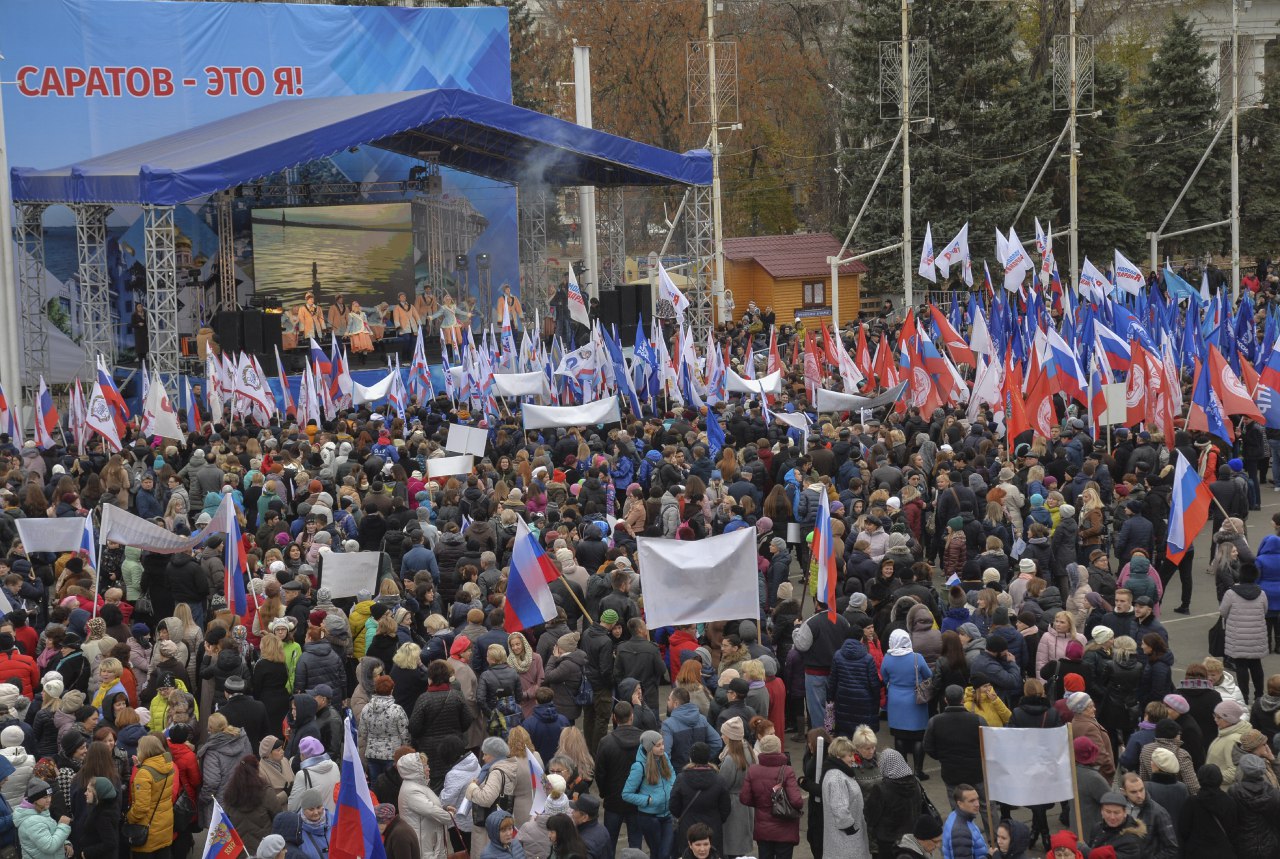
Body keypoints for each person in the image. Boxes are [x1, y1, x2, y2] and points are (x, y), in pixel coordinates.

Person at [738, 734, 802, 859]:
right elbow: (797, 801)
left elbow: (744, 798)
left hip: (763, 829)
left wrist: (760, 803)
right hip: (785, 829)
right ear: (779, 748)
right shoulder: (787, 771)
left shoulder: (753, 770)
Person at [621, 731, 675, 859]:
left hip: (667, 814)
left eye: (662, 744)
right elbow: (626, 794)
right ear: (650, 748)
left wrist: (672, 787)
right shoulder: (639, 767)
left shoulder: (664, 757)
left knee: (666, 853)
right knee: (657, 853)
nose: (662, 747)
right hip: (649, 817)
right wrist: (648, 800)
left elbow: (672, 773)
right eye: (658, 745)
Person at [669, 741, 729, 854]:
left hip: (688, 826)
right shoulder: (719, 779)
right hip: (713, 826)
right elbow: (725, 807)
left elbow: (673, 805)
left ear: (691, 758)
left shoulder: (681, 778)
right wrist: (717, 819)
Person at [822, 736, 872, 859]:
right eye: (849, 756)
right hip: (845, 841)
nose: (852, 759)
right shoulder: (837, 777)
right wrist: (850, 827)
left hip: (843, 839)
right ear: (839, 756)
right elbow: (839, 808)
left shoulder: (836, 772)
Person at [14, 778, 72, 859]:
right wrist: (63, 826)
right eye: (45, 797)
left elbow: (49, 833)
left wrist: (64, 843)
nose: (49, 800)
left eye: (49, 796)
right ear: (35, 799)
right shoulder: (32, 821)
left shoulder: (41, 811)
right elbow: (49, 847)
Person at [941, 785, 988, 859]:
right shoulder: (961, 832)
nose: (977, 804)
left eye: (977, 799)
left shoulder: (956, 814)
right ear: (960, 803)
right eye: (971, 801)